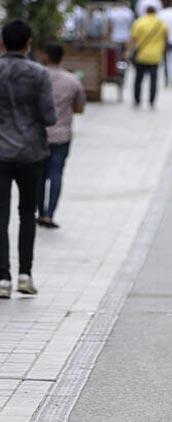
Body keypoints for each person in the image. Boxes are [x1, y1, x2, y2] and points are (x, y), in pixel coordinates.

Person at [0, 20, 57, 298]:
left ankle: (2, 278)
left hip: (1, 152)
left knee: (0, 216)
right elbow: (49, 117)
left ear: (2, 43)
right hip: (31, 153)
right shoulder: (39, 74)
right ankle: (25, 274)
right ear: (29, 43)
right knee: (27, 214)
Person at [38, 43, 86, 230]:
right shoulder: (72, 80)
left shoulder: (38, 77)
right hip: (62, 135)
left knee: (40, 175)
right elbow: (80, 107)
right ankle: (50, 214)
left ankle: (40, 211)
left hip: (40, 134)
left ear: (46, 56)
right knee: (57, 173)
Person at [128, 6, 168, 109]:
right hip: (155, 56)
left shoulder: (139, 22)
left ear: (145, 12)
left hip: (141, 56)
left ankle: (137, 100)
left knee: (138, 79)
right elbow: (166, 40)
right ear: (155, 12)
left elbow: (133, 39)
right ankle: (151, 101)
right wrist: (164, 53)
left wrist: (129, 52)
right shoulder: (161, 23)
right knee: (153, 80)